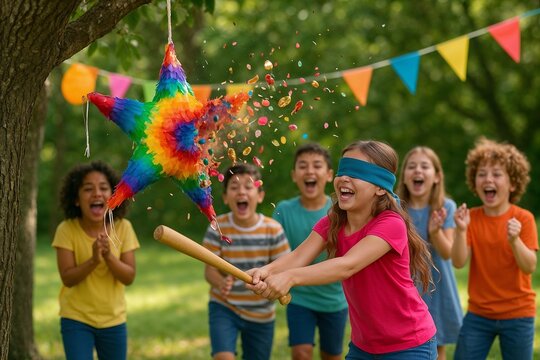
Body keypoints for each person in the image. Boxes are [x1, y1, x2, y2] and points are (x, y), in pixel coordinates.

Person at [247, 140, 437, 359]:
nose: (345, 178)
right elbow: (299, 255)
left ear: (380, 188)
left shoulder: (391, 223)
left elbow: (347, 265)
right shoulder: (334, 221)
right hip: (363, 348)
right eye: (343, 170)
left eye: (357, 172)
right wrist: (267, 271)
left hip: (409, 345)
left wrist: (289, 278)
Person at [452, 138, 538, 360]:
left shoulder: (523, 218)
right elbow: (458, 262)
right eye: (482, 174)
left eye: (497, 174)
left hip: (518, 314)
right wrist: (461, 231)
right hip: (479, 314)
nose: (488, 179)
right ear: (475, 181)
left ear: (512, 183)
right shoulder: (471, 218)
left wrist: (515, 240)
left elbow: (529, 266)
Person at [52, 161, 140, 360]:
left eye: (103, 188)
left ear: (114, 196)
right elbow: (68, 278)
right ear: (76, 199)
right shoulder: (66, 230)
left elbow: (129, 277)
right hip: (76, 319)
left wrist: (108, 256)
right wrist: (93, 260)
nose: (97, 194)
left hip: (114, 320)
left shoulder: (123, 227)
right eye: (88, 189)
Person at [203, 163, 291, 360]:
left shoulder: (272, 229)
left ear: (260, 195)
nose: (241, 192)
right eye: (234, 187)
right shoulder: (218, 228)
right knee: (223, 357)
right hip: (225, 307)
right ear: (225, 197)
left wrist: (271, 281)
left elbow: (285, 267)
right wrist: (220, 282)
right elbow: (209, 270)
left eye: (248, 186)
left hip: (261, 312)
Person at [273, 143, 348, 360]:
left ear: (329, 175)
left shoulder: (340, 211)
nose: (310, 171)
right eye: (303, 166)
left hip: (334, 299)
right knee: (301, 352)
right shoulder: (284, 210)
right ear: (294, 175)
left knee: (331, 355)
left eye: (317, 165)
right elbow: (278, 251)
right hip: (299, 298)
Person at [397, 146, 462, 360]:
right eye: (412, 166)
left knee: (436, 349)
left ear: (436, 176)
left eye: (425, 166)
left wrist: (435, 232)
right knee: (400, 346)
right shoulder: (395, 209)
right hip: (404, 288)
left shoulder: (445, 207)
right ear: (404, 176)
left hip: (437, 288)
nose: (418, 171)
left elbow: (447, 254)